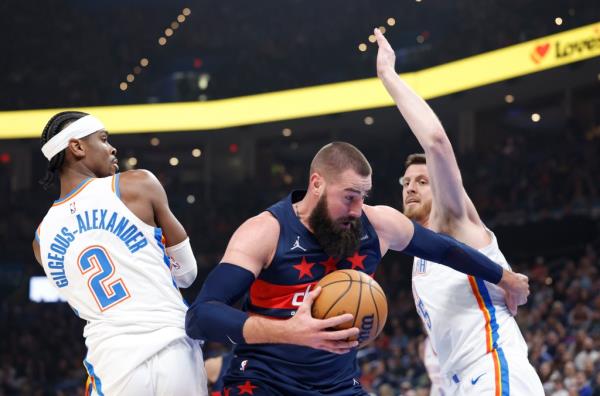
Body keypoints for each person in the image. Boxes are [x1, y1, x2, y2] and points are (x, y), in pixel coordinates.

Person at [185, 140, 530, 395]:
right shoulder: (266, 232)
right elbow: (200, 316)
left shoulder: (376, 225)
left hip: (338, 386)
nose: (357, 208)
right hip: (264, 381)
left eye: (363, 196)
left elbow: (445, 249)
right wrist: (288, 331)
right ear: (317, 184)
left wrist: (504, 277)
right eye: (349, 196)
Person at [374, 28, 544, 395]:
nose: (410, 186)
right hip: (460, 384)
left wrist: (388, 77)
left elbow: (435, 142)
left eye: (422, 180)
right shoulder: (421, 251)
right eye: (405, 182)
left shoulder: (454, 221)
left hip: (495, 369)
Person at [32, 111, 207, 395]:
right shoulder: (137, 184)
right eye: (103, 139)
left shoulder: (41, 238)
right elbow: (187, 274)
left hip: (112, 357)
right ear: (77, 147)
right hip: (173, 344)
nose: (112, 148)